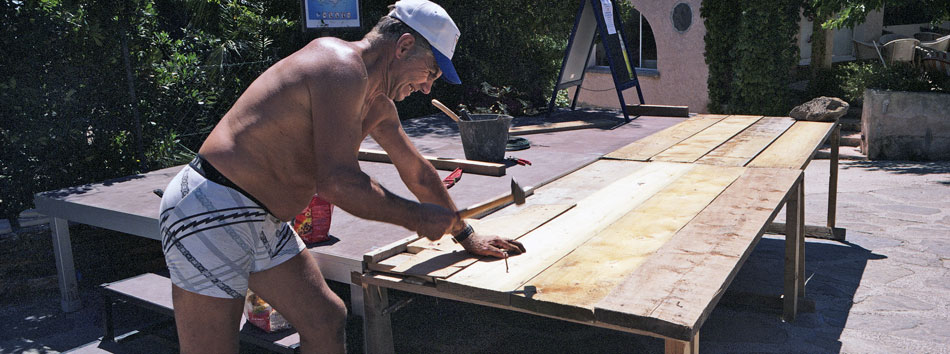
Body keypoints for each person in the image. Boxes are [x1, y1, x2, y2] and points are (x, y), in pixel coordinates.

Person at [157, 0, 526, 352]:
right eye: (431, 71)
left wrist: (465, 233)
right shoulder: (338, 64)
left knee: (325, 318)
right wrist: (417, 216)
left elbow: (419, 173)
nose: (428, 86)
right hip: (210, 206)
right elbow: (336, 182)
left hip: (262, 217)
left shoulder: (377, 102)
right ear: (405, 45)